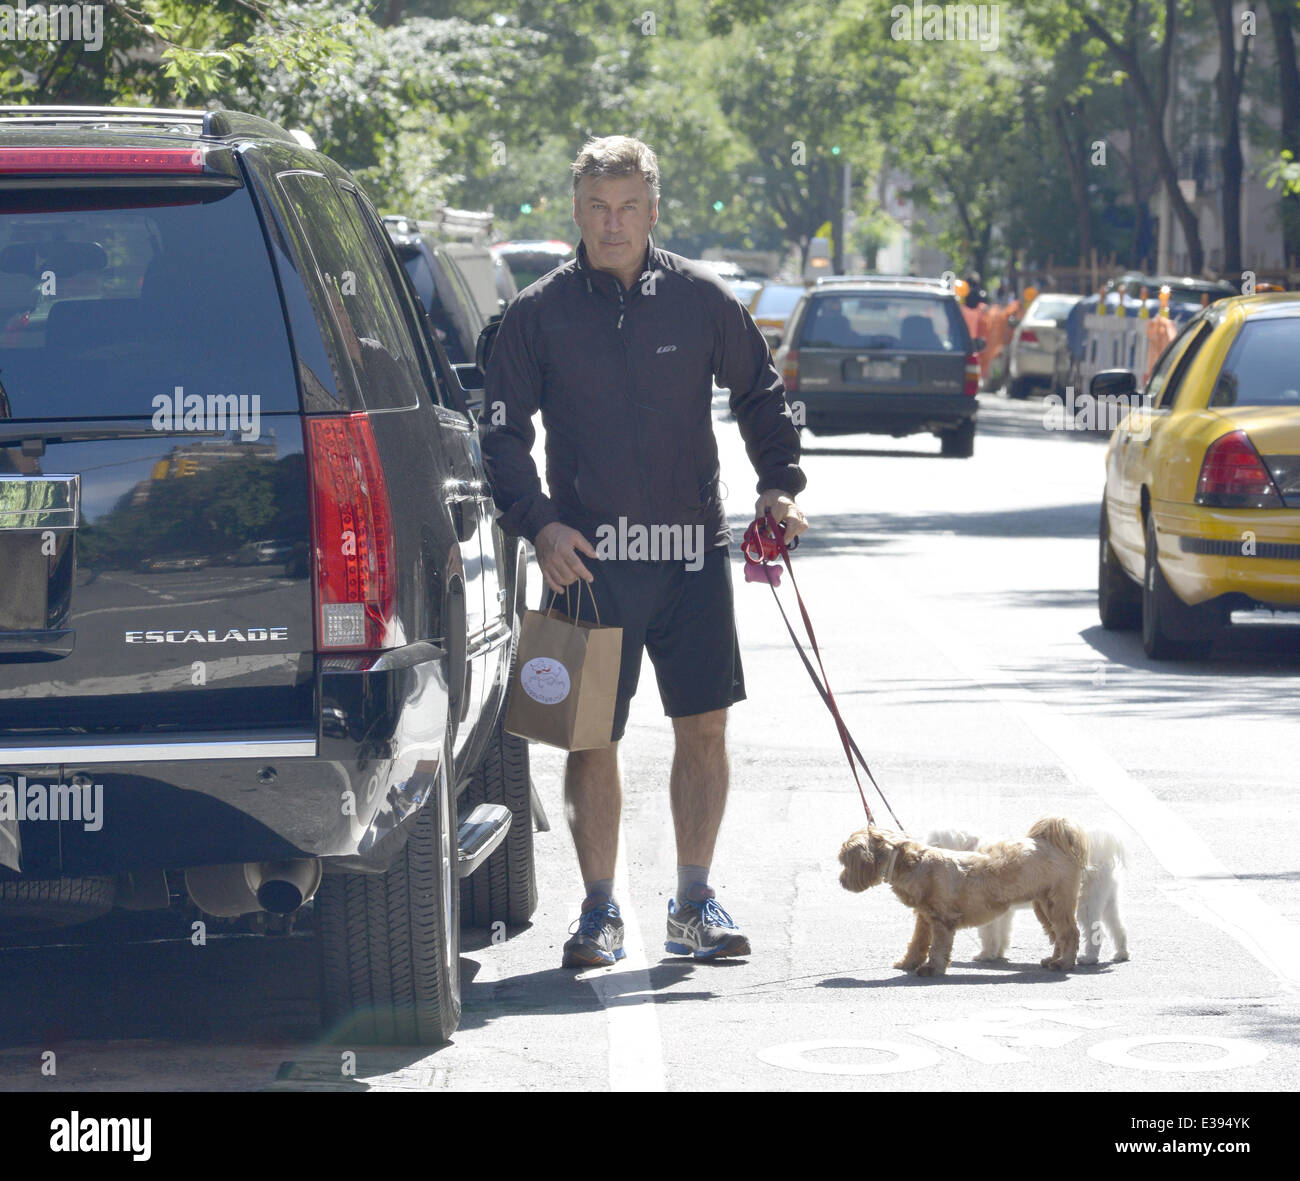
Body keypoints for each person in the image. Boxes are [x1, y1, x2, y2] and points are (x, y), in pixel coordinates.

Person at [481, 135, 809, 967]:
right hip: (584, 562)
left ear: (654, 209)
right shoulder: (538, 312)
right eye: (597, 207)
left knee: (704, 726)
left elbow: (760, 390)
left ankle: (694, 903)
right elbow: (502, 436)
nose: (612, 223)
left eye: (628, 206)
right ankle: (599, 911)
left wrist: (779, 484)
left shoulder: (700, 298)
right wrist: (540, 524)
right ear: (577, 210)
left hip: (691, 556)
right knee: (588, 736)